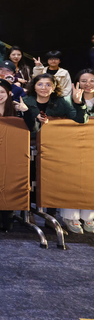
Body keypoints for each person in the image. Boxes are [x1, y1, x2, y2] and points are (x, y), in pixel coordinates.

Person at [0, 79, 33, 232]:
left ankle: (8, 218)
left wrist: (26, 111)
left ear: (9, 93)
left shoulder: (18, 108)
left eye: (2, 92)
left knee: (9, 186)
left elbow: (32, 128)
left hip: (14, 154)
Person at [61, 69, 94, 234]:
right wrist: (77, 102)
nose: (88, 84)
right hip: (72, 145)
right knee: (72, 179)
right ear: (77, 83)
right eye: (84, 81)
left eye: (92, 80)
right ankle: (70, 216)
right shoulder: (68, 100)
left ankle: (89, 217)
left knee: (91, 180)